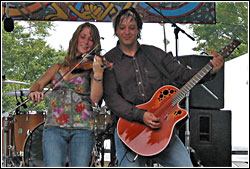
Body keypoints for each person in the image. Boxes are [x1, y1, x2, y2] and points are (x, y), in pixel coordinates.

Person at [103, 7, 224, 167]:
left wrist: (209, 70)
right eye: (122, 27)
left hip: (161, 129)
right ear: (116, 31)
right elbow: (112, 98)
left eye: (132, 27)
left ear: (139, 30)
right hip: (129, 131)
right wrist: (141, 115)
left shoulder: (155, 53)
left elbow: (182, 74)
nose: (127, 32)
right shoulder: (109, 60)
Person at [28, 22, 104, 167]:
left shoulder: (92, 68)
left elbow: (95, 98)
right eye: (83, 37)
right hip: (54, 128)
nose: (86, 42)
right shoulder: (57, 67)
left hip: (82, 128)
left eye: (91, 39)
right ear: (76, 39)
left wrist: (98, 74)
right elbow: (37, 84)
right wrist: (34, 92)